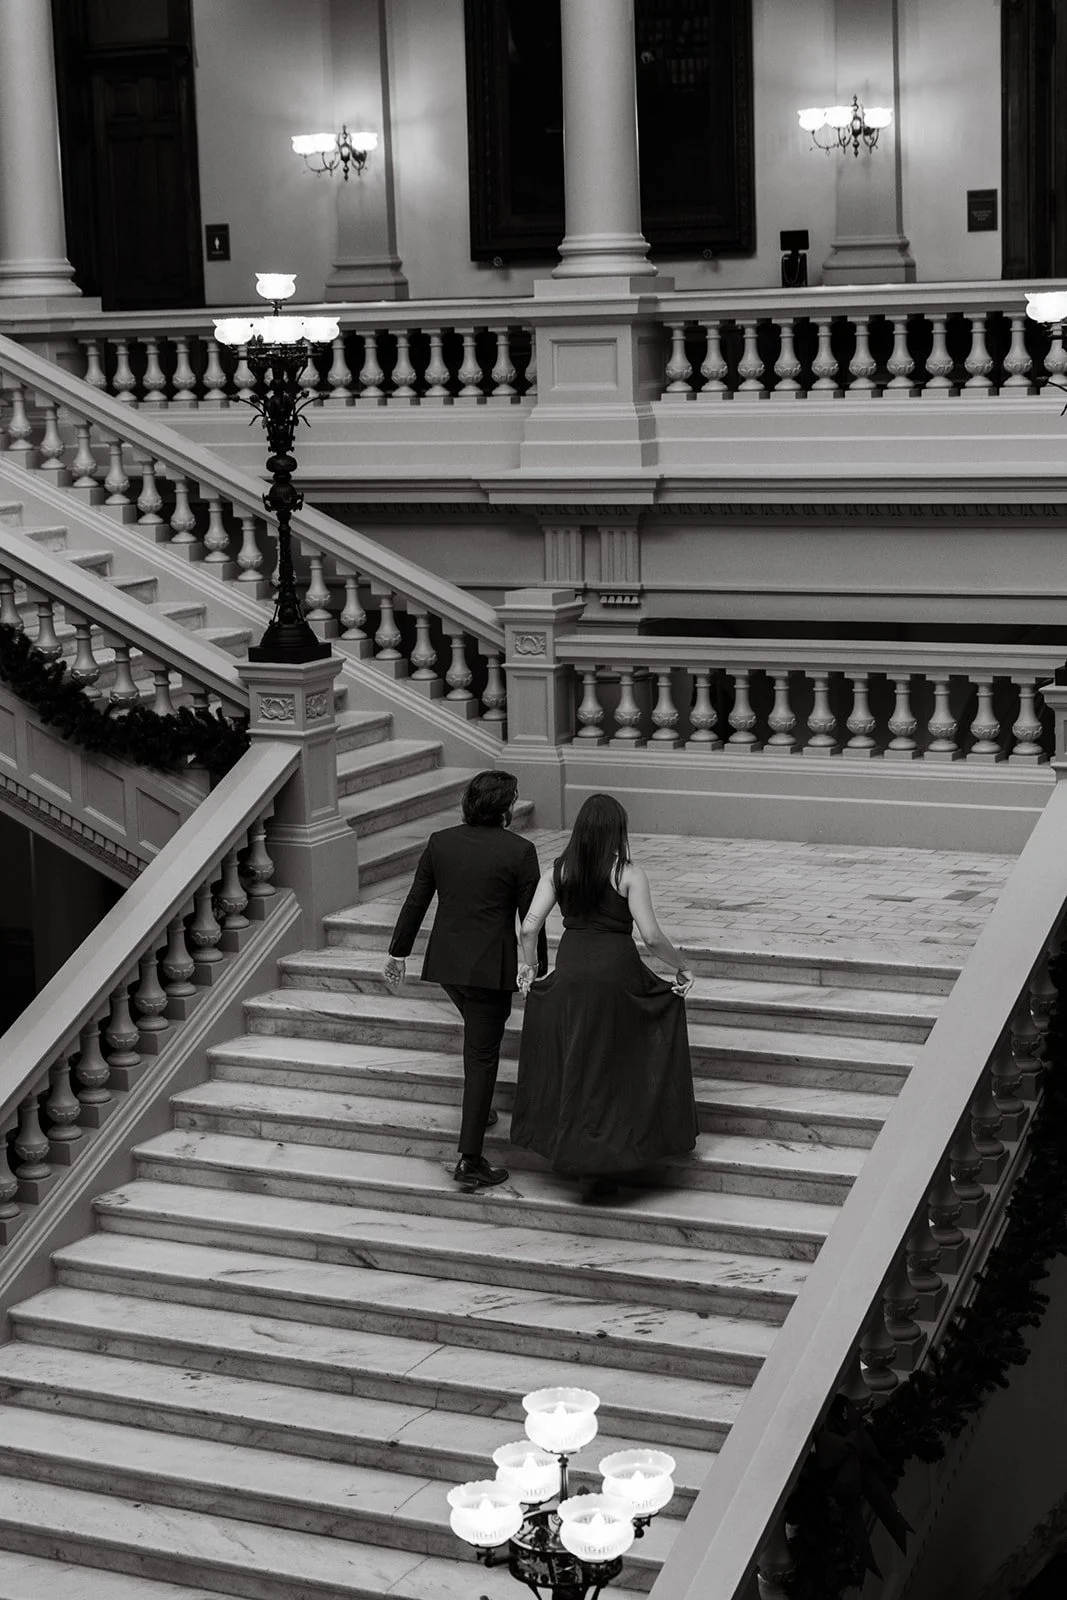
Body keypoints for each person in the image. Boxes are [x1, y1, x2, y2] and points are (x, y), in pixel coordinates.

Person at [511, 793, 698, 1196]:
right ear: (618, 831)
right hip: (617, 972)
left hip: (574, 969)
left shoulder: (558, 871)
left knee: (578, 1060)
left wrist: (530, 969)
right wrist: (681, 965)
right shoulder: (629, 873)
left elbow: (528, 927)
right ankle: (614, 1152)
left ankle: (578, 1153)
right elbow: (650, 937)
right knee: (616, 1062)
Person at [383, 770, 546, 1190]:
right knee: (482, 1055)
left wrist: (398, 952)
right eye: (514, 799)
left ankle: (481, 1106)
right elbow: (532, 920)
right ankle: (470, 1160)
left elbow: (416, 899)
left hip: (448, 967)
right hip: (489, 972)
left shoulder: (441, 842)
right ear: (504, 807)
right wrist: (538, 969)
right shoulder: (521, 851)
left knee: (480, 1037)